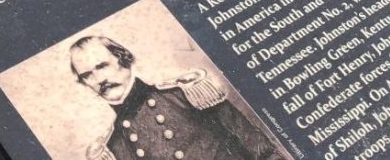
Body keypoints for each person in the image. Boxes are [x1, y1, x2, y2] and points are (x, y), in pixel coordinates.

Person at [70, 36, 285, 160]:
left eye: (102, 66)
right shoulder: (112, 146)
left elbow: (263, 151)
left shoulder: (187, 94)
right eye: (87, 75)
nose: (99, 79)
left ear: (122, 59)